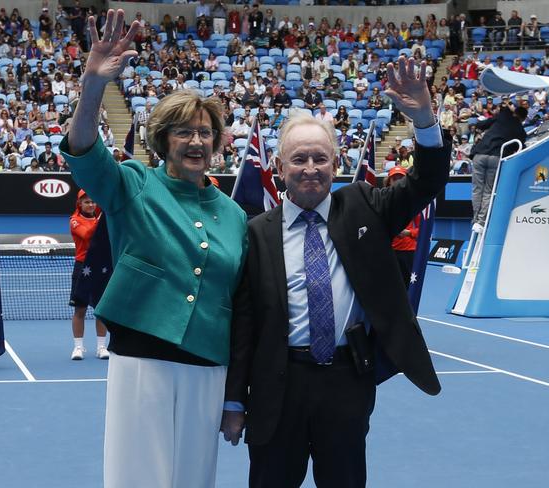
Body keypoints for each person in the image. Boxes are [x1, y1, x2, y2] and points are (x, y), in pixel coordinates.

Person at [220, 56, 451, 487]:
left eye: (320, 159)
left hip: (347, 379)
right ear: (279, 169)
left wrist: (423, 120)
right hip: (276, 385)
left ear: (335, 163)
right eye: (300, 159)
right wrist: (234, 400)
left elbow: (428, 180)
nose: (311, 169)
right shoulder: (254, 233)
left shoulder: (365, 205)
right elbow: (244, 325)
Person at [60, 10, 247, 488]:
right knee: (138, 479)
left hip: (208, 365)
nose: (197, 141)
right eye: (184, 131)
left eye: (206, 132)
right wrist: (93, 86)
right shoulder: (134, 184)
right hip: (142, 359)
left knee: (194, 480)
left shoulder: (234, 215)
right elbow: (83, 151)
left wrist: (235, 396)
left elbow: (244, 302)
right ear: (162, 140)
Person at [470, 101, 527, 232]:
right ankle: (480, 222)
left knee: (477, 189)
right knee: (488, 191)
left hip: (480, 154)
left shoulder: (503, 116)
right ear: (523, 119)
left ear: (515, 113)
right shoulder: (521, 131)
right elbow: (518, 149)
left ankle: (475, 219)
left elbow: (481, 124)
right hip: (496, 158)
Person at [69, 190, 109, 360]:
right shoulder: (75, 221)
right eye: (87, 202)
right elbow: (87, 235)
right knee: (80, 309)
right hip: (83, 267)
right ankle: (78, 348)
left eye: (93, 202)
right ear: (80, 204)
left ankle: (101, 347)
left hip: (102, 267)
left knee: (101, 310)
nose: (91, 205)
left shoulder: (101, 220)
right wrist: (101, 219)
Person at [385, 166, 420, 288]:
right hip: (387, 252)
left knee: (407, 288)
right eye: (395, 179)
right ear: (389, 181)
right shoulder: (381, 200)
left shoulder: (414, 202)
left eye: (401, 178)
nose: (398, 181)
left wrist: (408, 233)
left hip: (407, 253)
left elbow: (423, 231)